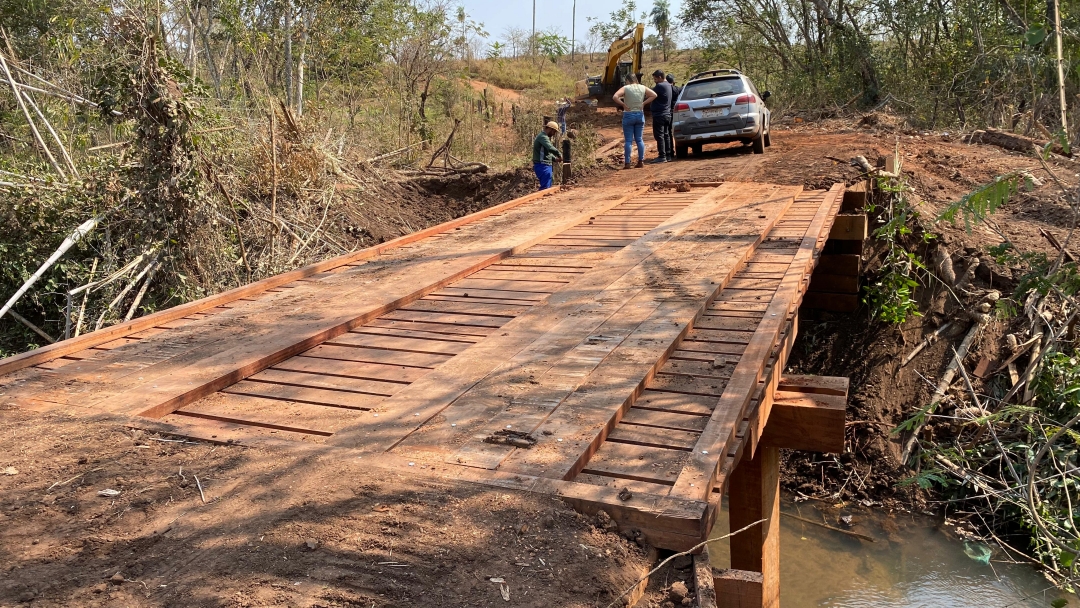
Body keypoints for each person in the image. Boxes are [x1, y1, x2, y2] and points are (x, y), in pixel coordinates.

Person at [613, 74, 656, 169]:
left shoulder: (626, 88)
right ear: (636, 80)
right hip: (640, 114)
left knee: (628, 140)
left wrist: (623, 104)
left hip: (629, 115)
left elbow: (615, 96)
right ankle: (641, 161)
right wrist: (644, 103)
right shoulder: (642, 87)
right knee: (639, 139)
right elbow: (654, 95)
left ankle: (627, 163)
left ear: (627, 80)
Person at [648, 69, 674, 163]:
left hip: (659, 115)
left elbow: (649, 94)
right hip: (667, 114)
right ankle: (668, 155)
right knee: (666, 135)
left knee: (659, 135)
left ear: (659, 77)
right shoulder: (668, 85)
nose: (655, 81)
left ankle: (662, 156)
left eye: (655, 79)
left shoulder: (660, 86)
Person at [532, 121, 563, 190]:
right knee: (545, 189)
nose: (554, 134)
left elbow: (546, 152)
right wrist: (559, 154)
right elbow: (550, 148)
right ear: (551, 129)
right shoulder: (543, 137)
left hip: (545, 165)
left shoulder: (543, 137)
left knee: (547, 188)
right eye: (554, 132)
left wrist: (555, 159)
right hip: (543, 166)